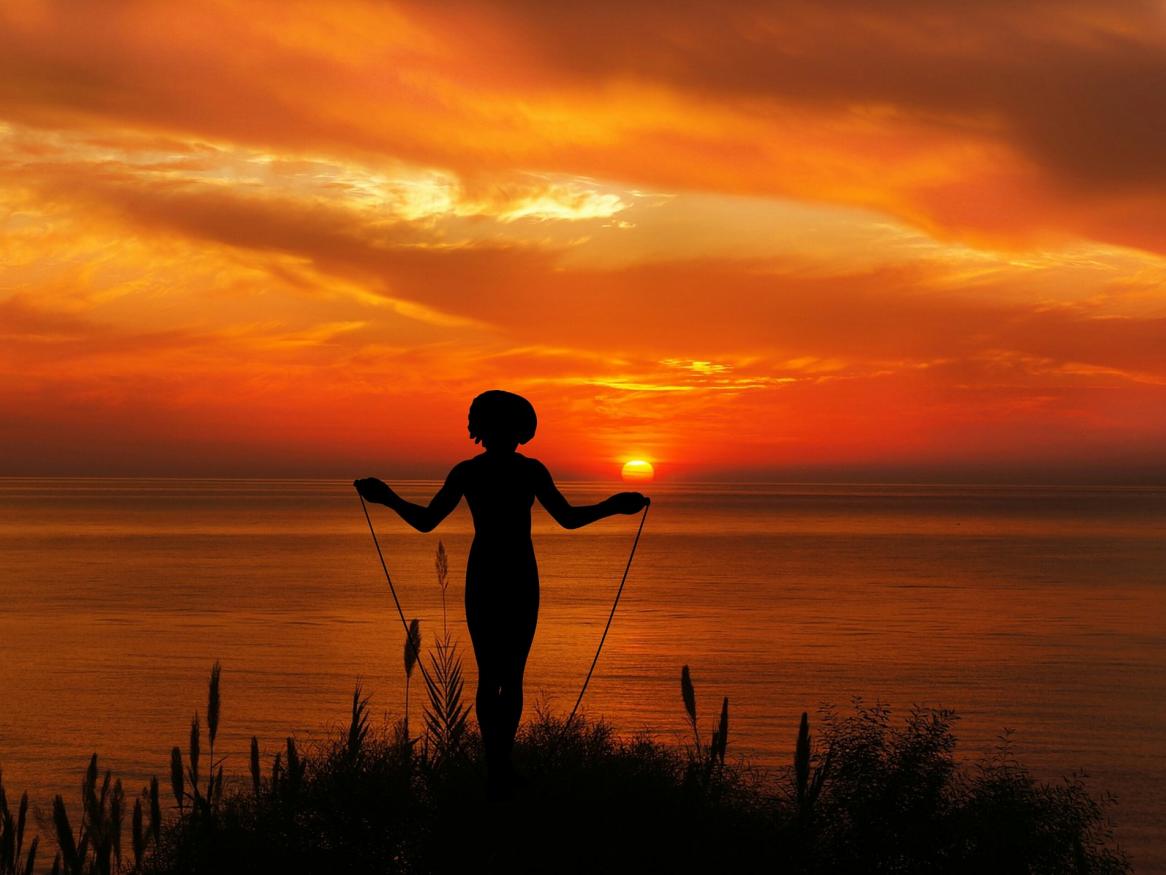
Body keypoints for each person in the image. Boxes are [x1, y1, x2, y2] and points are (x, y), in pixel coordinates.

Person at [354, 390, 648, 797]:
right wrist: (612, 506)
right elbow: (568, 519)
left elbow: (425, 521)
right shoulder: (525, 471)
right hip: (515, 575)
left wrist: (387, 498)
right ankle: (499, 767)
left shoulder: (472, 472)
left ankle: (498, 766)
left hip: (491, 575)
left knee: (495, 674)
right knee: (507, 675)